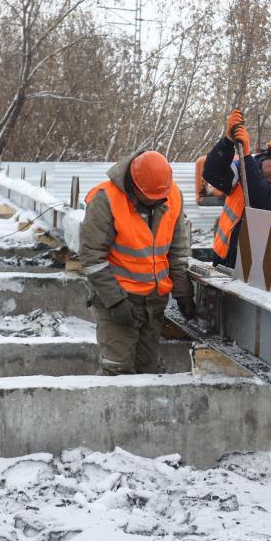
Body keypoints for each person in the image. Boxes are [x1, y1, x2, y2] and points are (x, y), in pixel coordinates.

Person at [80, 150, 196, 375]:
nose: (154, 202)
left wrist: (183, 292)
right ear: (134, 185)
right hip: (119, 298)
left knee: (147, 369)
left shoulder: (172, 195)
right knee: (117, 369)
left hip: (154, 301)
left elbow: (178, 250)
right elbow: (92, 257)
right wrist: (115, 302)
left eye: (158, 198)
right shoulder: (105, 199)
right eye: (148, 198)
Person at [203, 109, 271, 296]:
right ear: (265, 157)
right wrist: (227, 142)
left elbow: (263, 201)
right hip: (227, 260)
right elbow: (212, 174)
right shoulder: (244, 167)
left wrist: (247, 157)